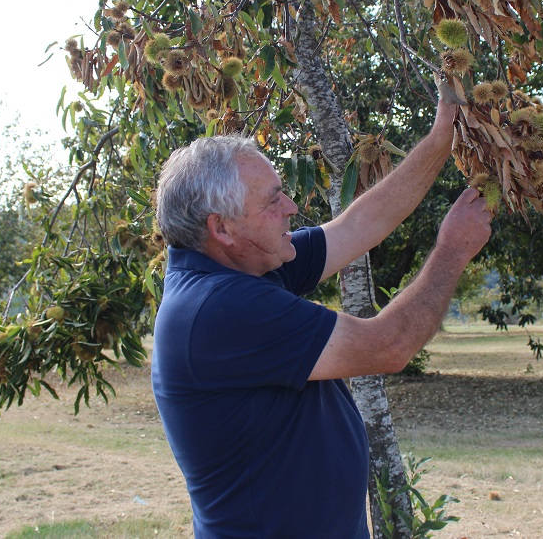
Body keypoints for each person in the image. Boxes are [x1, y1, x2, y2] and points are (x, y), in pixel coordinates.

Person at [151, 98, 493, 538]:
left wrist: (442, 135)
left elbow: (361, 224)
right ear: (222, 228)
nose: (291, 207)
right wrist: (454, 250)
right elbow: (388, 345)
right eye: (273, 201)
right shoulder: (219, 308)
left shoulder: (248, 264)